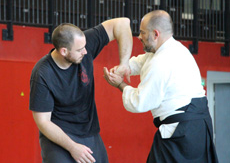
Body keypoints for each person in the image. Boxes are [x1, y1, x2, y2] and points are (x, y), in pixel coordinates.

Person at [103, 10, 218, 163]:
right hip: (196, 127)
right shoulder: (173, 49)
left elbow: (139, 102)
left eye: (142, 33)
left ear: (155, 34)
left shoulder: (161, 61)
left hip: (182, 134)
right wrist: (124, 66)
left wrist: (120, 84)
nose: (139, 37)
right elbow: (142, 61)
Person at [29, 18, 132, 163]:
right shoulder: (43, 73)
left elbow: (122, 23)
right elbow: (43, 122)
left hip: (89, 132)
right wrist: (72, 147)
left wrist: (124, 63)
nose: (85, 51)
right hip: (60, 136)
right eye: (79, 50)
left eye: (84, 47)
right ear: (64, 51)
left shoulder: (83, 46)